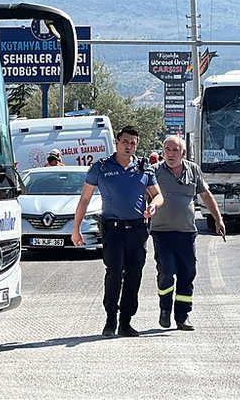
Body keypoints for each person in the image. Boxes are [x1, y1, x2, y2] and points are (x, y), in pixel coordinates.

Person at [72, 125, 164, 337]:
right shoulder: (102, 167)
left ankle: (126, 321)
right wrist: (76, 229)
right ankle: (110, 318)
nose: (128, 146)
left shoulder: (144, 169)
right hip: (113, 230)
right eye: (125, 142)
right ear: (117, 142)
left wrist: (154, 205)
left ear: (137, 145)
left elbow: (158, 195)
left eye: (133, 143)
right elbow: (85, 199)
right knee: (114, 272)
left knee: (134, 274)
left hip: (137, 230)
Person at [150, 135, 225, 331]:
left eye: (175, 150)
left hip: (186, 233)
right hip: (161, 232)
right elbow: (143, 195)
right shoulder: (155, 171)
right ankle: (165, 308)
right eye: (167, 149)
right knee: (166, 271)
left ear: (183, 152)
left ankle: (182, 316)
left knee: (188, 272)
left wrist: (218, 219)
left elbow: (206, 196)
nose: (170, 153)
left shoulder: (193, 170)